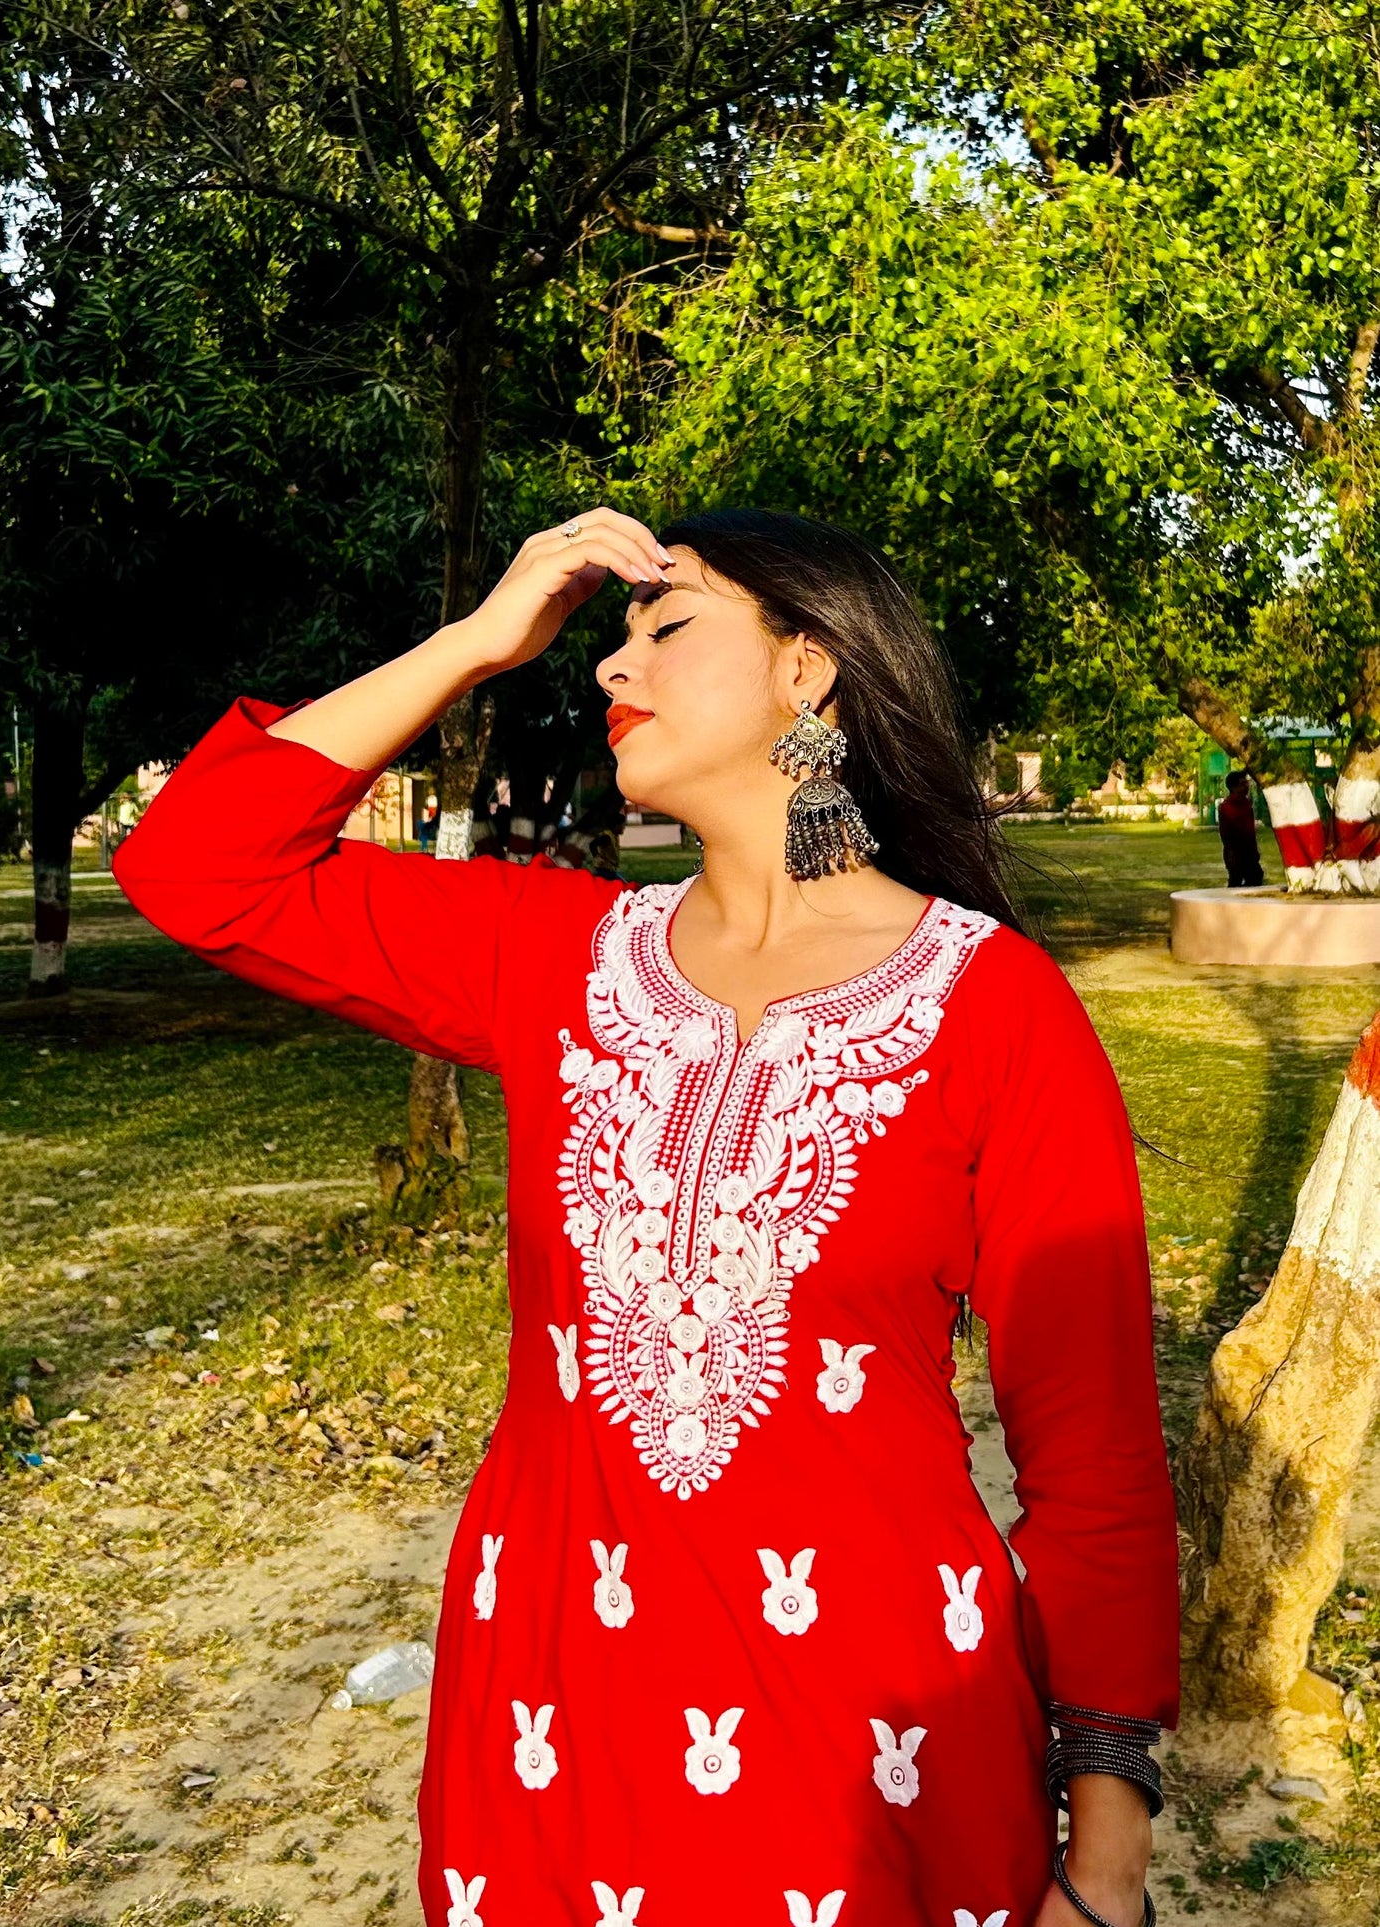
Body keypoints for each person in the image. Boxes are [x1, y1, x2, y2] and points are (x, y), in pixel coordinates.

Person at [113, 506, 1179, 1927]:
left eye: (664, 628)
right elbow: (198, 866)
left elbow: (1096, 1455)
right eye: (614, 638)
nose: (611, 669)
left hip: (880, 1747)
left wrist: (1102, 1873)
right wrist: (478, 637)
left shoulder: (994, 1011)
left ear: (809, 673)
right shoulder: (550, 958)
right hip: (555, 1715)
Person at [1217, 771, 1265, 887]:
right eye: (1242, 784)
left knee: (1254, 877)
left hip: (1249, 852)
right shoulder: (1228, 806)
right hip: (1236, 853)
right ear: (1234, 787)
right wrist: (1231, 853)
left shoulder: (1246, 803)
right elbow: (1226, 833)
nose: (1246, 786)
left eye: (1246, 783)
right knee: (1238, 881)